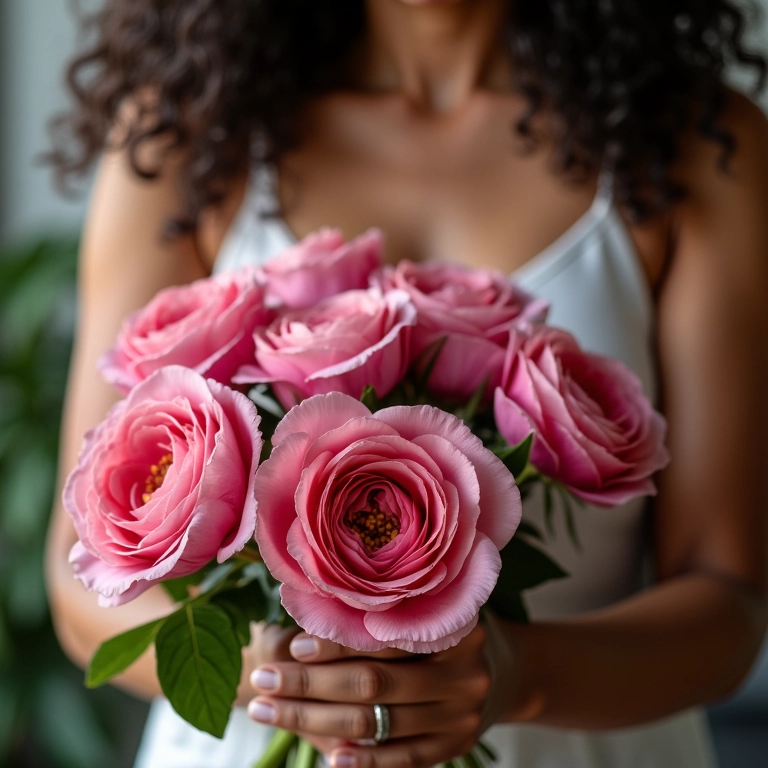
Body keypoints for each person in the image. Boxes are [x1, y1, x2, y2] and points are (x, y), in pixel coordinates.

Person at [45, 1, 768, 767]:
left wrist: (519, 675)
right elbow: (78, 574)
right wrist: (283, 676)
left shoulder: (699, 145)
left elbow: (729, 600)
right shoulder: (183, 136)